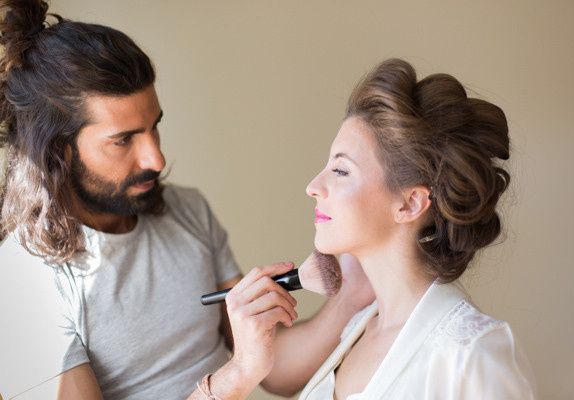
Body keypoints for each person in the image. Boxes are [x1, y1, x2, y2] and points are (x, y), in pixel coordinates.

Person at [0, 1, 373, 399]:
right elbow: (250, 369)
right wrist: (237, 374)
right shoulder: (20, 287)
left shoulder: (186, 210)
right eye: (123, 139)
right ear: (59, 150)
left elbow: (275, 369)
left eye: (153, 127)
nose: (155, 159)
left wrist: (351, 297)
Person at [202, 59, 537, 399]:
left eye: (341, 170)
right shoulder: (356, 330)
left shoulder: (470, 353)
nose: (313, 186)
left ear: (409, 204)